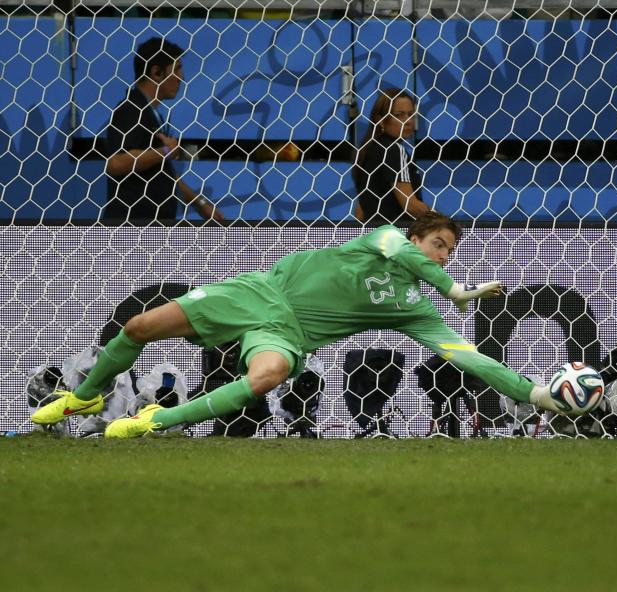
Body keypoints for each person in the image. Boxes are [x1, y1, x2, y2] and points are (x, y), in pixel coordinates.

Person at [30, 211, 570, 437]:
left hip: (287, 334)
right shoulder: (382, 241)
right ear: (416, 239)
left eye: (450, 253)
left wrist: (535, 392)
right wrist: (454, 289)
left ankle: (150, 424)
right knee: (140, 327)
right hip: (259, 293)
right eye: (438, 245)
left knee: (265, 377)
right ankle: (88, 396)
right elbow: (395, 246)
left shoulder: (417, 310)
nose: (443, 257)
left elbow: (466, 356)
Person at [103, 37, 223, 223]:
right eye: (176, 69)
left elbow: (163, 173)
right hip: (133, 231)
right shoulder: (130, 109)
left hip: (151, 228)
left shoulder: (151, 114)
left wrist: (199, 203)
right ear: (157, 72)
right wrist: (165, 151)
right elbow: (116, 163)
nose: (182, 77)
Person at [352, 88, 431, 225]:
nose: (408, 121)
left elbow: (360, 211)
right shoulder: (394, 150)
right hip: (396, 237)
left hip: (373, 237)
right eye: (399, 115)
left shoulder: (368, 149)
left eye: (411, 114)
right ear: (381, 120)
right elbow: (411, 207)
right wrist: (441, 221)